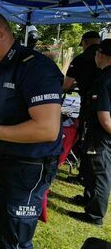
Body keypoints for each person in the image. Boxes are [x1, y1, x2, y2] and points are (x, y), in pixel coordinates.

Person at [0, 10, 63, 249]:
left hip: (30, 166)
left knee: (16, 235)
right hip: (3, 157)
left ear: (1, 33)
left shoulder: (35, 68)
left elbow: (47, 129)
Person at [68, 39, 111, 226]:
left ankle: (95, 215)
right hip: (101, 134)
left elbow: (105, 118)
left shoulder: (104, 80)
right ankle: (88, 199)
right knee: (93, 171)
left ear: (100, 54)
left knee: (99, 173)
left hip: (100, 135)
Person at [63, 31, 101, 188]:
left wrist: (73, 86)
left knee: (87, 140)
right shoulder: (105, 57)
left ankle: (84, 176)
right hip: (105, 105)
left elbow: (65, 85)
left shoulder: (81, 59)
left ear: (85, 42)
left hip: (91, 107)